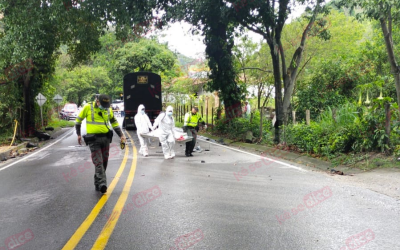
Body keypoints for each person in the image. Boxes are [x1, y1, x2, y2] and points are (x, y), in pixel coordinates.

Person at [75, 94, 126, 194]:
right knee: (98, 162)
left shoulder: (108, 108)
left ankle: (97, 182)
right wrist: (78, 134)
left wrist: (121, 135)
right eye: (103, 104)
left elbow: (114, 122)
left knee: (104, 162)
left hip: (106, 138)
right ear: (97, 101)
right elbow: (78, 121)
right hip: (93, 140)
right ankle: (103, 184)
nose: (105, 106)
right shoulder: (88, 107)